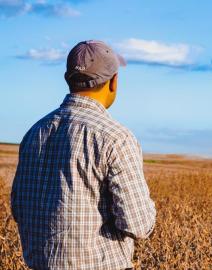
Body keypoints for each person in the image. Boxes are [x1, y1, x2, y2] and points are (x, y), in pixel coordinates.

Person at [11, 40, 156, 270]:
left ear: (68, 79)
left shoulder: (34, 132)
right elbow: (138, 224)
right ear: (113, 82)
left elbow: (19, 210)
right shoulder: (116, 137)